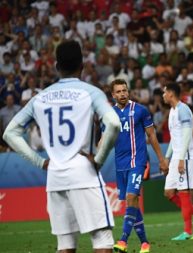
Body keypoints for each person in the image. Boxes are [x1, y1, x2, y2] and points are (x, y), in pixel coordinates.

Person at [3, 40, 121, 252]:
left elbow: (10, 133)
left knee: (65, 246)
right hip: (83, 173)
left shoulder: (39, 97)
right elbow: (113, 123)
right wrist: (100, 159)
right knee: (102, 240)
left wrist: (40, 162)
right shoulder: (91, 92)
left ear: (57, 66)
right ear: (82, 65)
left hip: (55, 177)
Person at [110, 79, 169, 253]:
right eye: (118, 91)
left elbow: (151, 136)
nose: (122, 94)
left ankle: (123, 240)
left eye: (124, 90)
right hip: (120, 164)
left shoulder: (140, 111)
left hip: (138, 161)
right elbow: (104, 139)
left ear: (128, 92)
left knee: (130, 197)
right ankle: (144, 242)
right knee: (132, 202)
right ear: (113, 95)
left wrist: (161, 159)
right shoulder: (110, 114)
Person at [162, 82, 193, 240]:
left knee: (183, 192)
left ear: (171, 93)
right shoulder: (172, 110)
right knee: (169, 193)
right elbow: (174, 138)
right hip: (176, 156)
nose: (163, 95)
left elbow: (186, 135)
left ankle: (187, 232)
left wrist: (181, 158)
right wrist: (167, 157)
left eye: (164, 92)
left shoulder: (184, 110)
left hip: (186, 156)